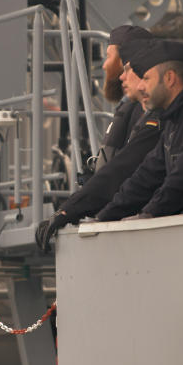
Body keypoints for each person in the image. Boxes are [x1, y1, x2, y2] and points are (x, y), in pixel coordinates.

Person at [36, 36, 161, 252]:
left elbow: (126, 170)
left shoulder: (158, 118)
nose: (106, 66)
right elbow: (136, 175)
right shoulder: (140, 112)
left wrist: (80, 211)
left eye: (110, 57)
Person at [94, 39, 183, 221]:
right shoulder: (172, 120)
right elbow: (145, 177)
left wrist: (150, 214)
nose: (141, 86)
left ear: (169, 78)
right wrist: (103, 217)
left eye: (146, 78)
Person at [94, 25, 156, 171]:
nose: (104, 65)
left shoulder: (142, 110)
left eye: (109, 57)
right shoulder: (130, 107)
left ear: (125, 61)